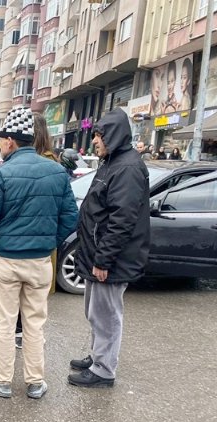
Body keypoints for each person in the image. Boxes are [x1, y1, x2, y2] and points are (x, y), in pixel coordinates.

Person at [0, 106, 78, 400]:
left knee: (6, 323)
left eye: (2, 140)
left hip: (6, 260)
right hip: (40, 262)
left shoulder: (3, 174)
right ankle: (35, 382)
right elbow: (71, 217)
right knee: (35, 322)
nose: (0, 146)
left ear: (10, 141)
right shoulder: (57, 171)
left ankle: (2, 381)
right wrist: (48, 243)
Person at [68, 107, 150, 388]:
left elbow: (122, 221)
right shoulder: (113, 162)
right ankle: (98, 356)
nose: (94, 141)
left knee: (107, 315)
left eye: (99, 135)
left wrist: (103, 261)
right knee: (95, 312)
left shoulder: (127, 167)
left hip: (111, 261)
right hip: (99, 256)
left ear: (113, 135)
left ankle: (104, 370)